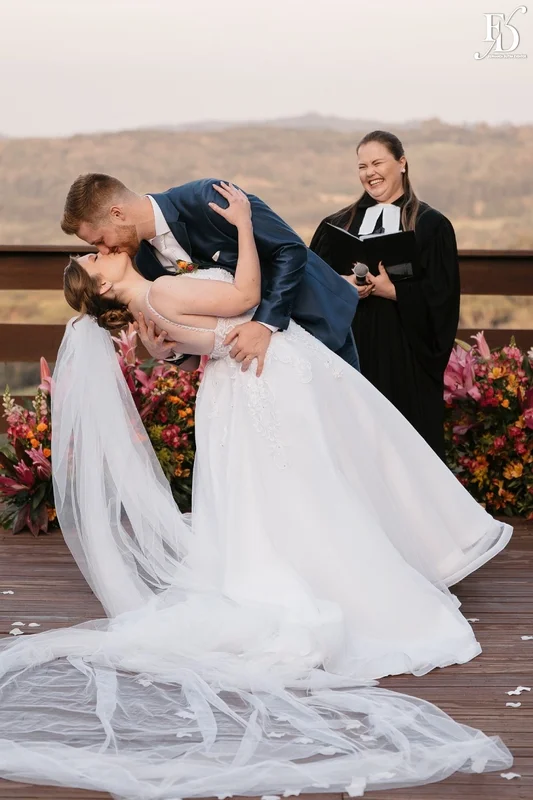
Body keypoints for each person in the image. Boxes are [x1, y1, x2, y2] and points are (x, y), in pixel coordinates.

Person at [0, 183, 512, 798]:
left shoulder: (160, 270)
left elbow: (256, 287)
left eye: (93, 245)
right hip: (263, 380)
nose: (100, 251)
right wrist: (242, 228)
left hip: (252, 375)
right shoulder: (155, 285)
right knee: (313, 485)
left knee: (288, 493)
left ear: (111, 213)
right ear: (105, 287)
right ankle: (358, 577)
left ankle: (327, 570)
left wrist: (192, 338)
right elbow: (239, 298)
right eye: (93, 257)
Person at [61, 172, 360, 376]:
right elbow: (200, 334)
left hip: (316, 321)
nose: (103, 249)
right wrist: (167, 352)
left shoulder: (207, 199)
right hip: (262, 365)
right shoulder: (147, 263)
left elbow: (290, 250)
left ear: (117, 214)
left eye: (99, 240)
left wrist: (264, 324)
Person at [310, 130, 460, 460]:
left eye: (378, 162)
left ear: (402, 163)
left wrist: (394, 291)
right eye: (362, 166)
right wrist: (345, 285)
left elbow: (443, 301)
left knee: (403, 448)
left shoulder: (432, 226)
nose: (369, 173)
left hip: (405, 356)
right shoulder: (336, 225)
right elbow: (312, 284)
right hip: (352, 350)